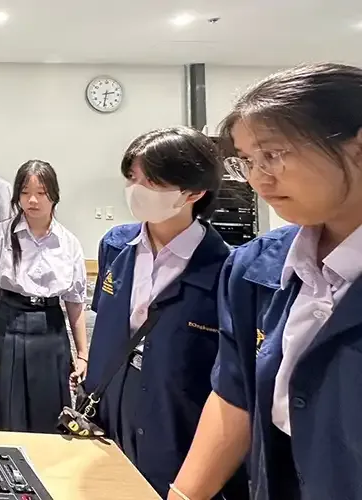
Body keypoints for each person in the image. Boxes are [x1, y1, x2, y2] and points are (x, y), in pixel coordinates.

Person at [170, 63, 362, 500]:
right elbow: (234, 396)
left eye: (273, 154)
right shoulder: (254, 267)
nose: (258, 178)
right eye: (247, 161)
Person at [84, 127, 247, 499]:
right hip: (111, 420)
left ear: (194, 192)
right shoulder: (116, 246)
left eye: (152, 181)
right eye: (132, 178)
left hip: (179, 430)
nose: (135, 190)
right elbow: (108, 331)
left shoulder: (226, 269)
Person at [0, 160, 89, 433]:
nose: (32, 200)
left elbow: (75, 301)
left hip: (50, 328)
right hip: (8, 324)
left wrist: (82, 354)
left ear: (54, 195)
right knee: (8, 410)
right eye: (25, 192)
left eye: (41, 193)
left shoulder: (68, 243)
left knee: (51, 410)